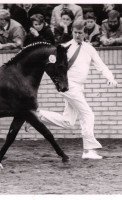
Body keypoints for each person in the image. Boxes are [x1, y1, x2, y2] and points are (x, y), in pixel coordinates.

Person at [25, 20, 118, 159]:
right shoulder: (64, 47)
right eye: (75, 32)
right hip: (68, 86)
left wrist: (110, 77)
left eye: (80, 33)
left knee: (68, 122)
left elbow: (101, 65)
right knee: (88, 115)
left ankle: (36, 115)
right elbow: (51, 63)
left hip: (78, 88)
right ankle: (88, 151)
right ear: (72, 32)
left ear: (85, 33)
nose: (77, 35)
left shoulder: (89, 48)